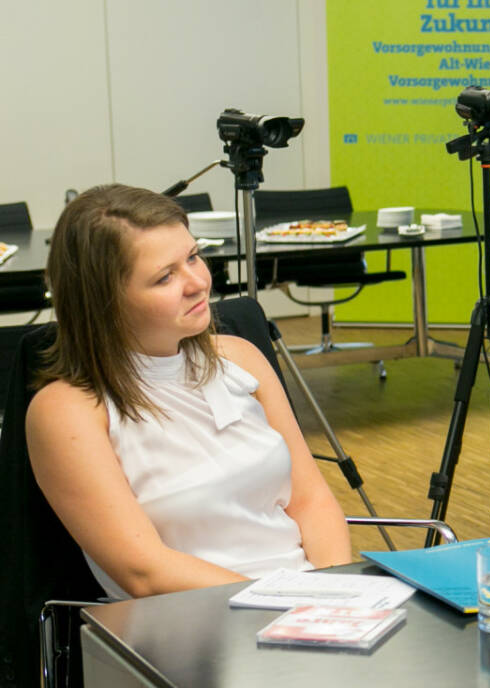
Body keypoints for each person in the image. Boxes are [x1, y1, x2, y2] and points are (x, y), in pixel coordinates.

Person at [26, 185, 351, 600]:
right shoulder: (69, 411)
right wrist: (293, 601)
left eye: (193, 257)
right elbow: (144, 571)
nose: (198, 282)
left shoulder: (241, 358)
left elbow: (311, 503)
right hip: (188, 625)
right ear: (105, 301)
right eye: (165, 277)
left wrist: (339, 595)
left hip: (304, 600)